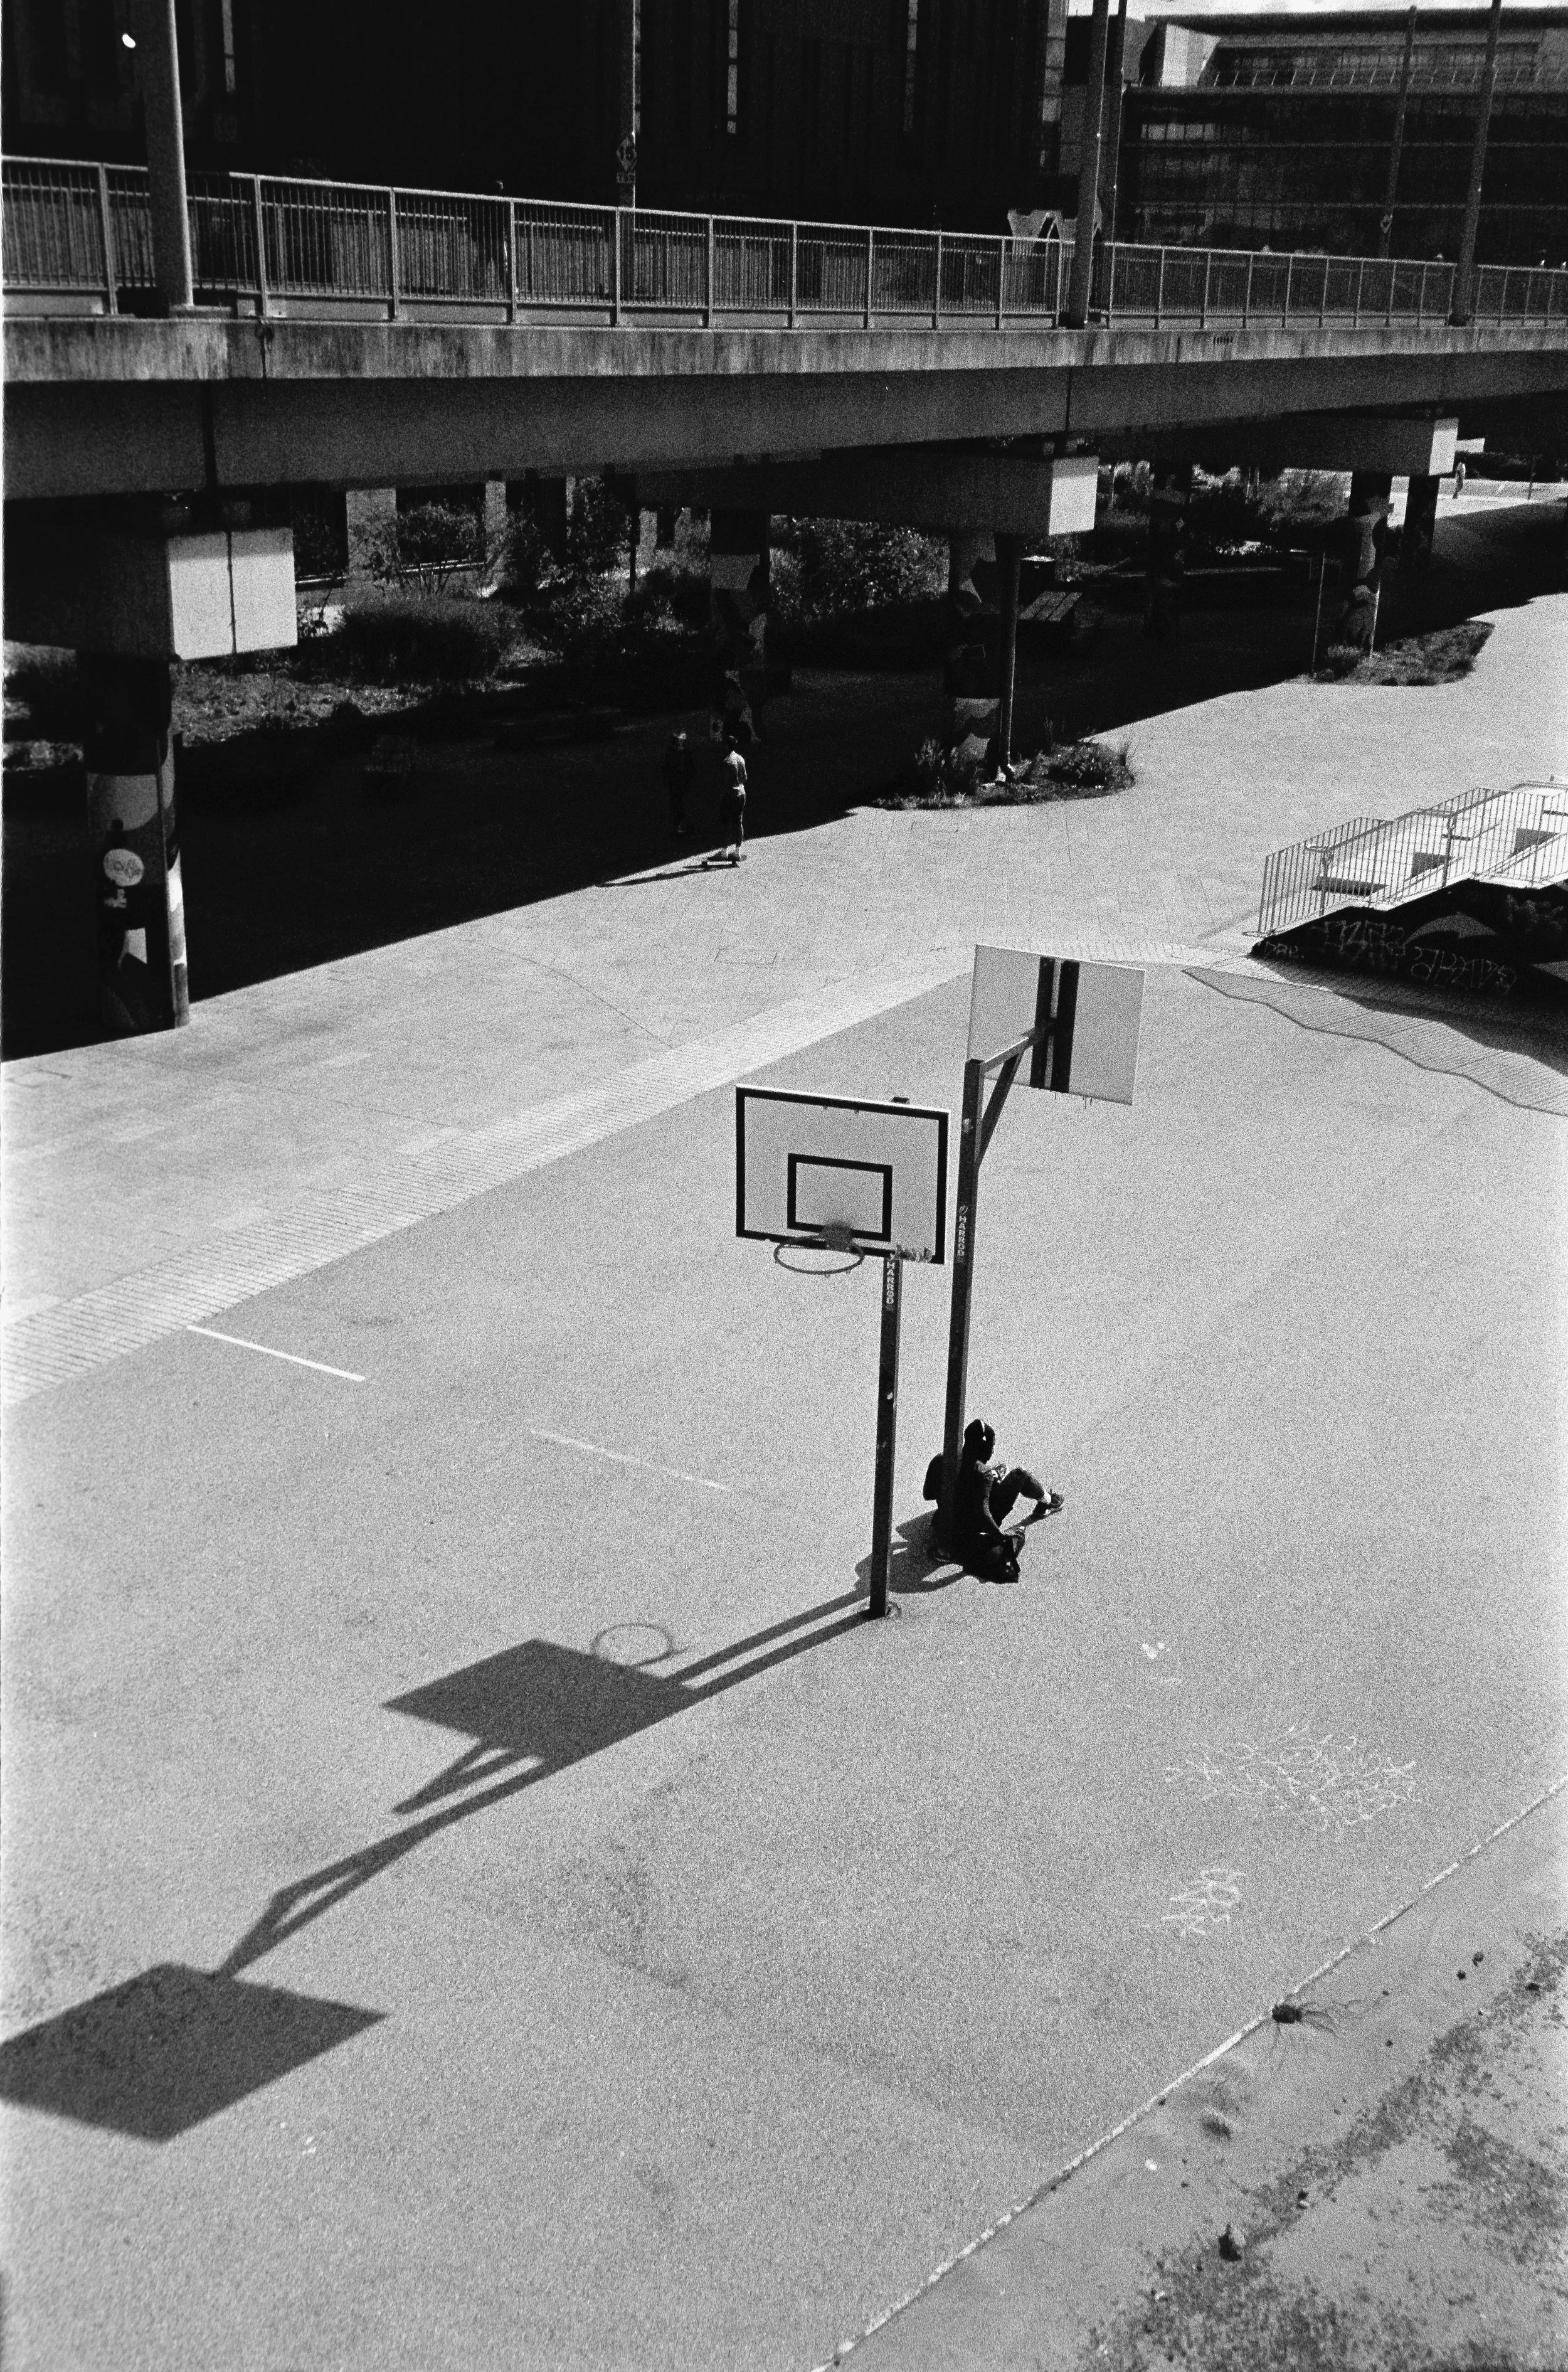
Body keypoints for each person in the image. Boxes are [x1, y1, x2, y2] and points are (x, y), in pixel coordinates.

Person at [948, 1418, 1062, 1583]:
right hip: (972, 1527)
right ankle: (1047, 1502)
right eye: (992, 1448)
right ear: (985, 1449)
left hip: (948, 1519)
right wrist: (1000, 1535)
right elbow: (983, 1511)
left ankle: (999, 1481)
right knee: (1019, 1475)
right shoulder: (984, 1473)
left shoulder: (944, 1459)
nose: (993, 1452)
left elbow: (928, 1493)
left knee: (998, 1473)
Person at [714, 734, 747, 865]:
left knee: (725, 823)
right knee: (738, 822)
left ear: (727, 745)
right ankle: (737, 852)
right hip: (741, 794)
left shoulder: (726, 762)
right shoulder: (740, 759)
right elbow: (745, 778)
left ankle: (724, 852)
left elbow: (723, 783)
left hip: (729, 796)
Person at [664, 730, 692, 836]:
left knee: (678, 803)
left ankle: (679, 823)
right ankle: (679, 824)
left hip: (677, 782)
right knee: (678, 803)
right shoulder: (681, 754)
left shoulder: (673, 753)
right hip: (678, 782)